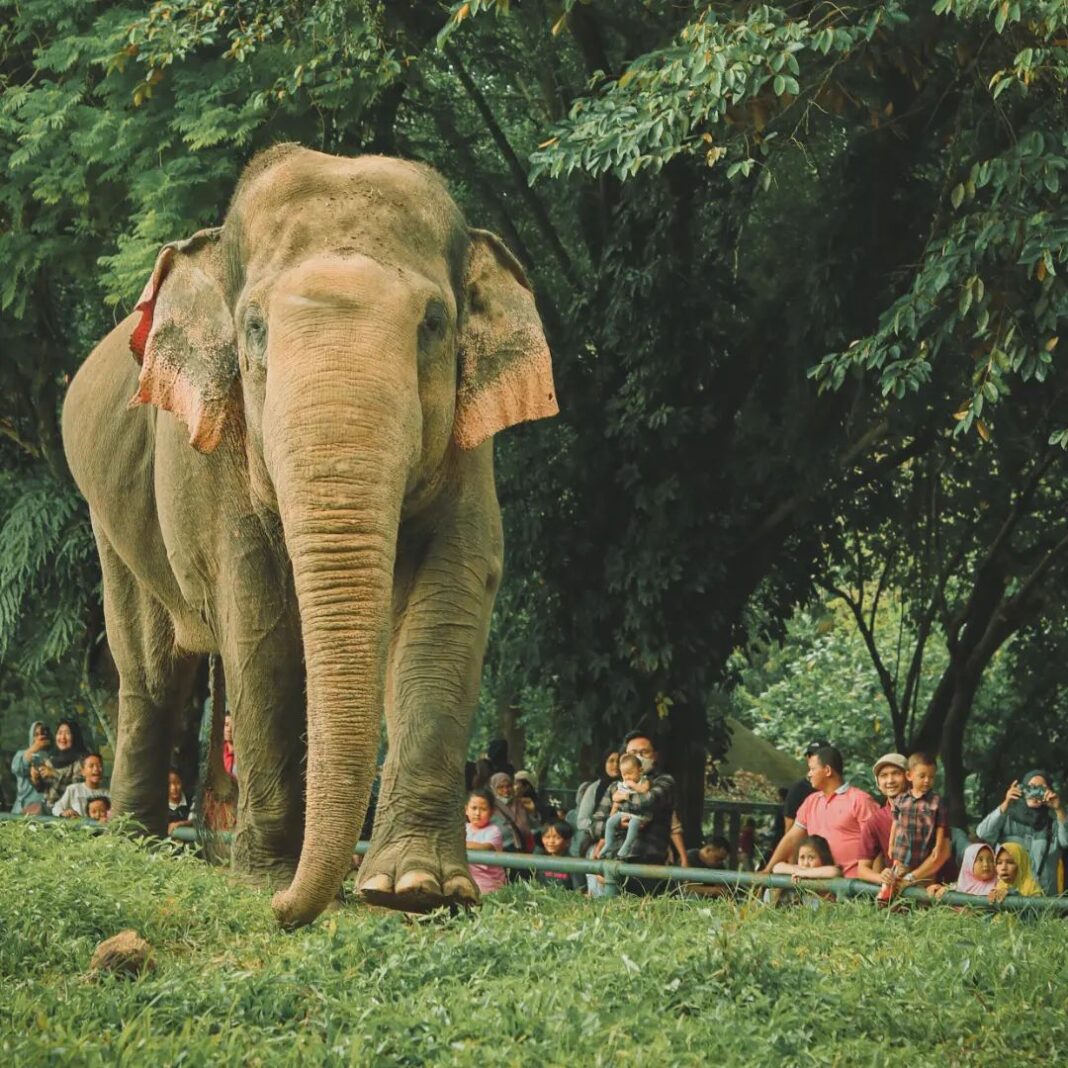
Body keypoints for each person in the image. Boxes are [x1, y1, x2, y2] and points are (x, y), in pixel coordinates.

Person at [760, 746, 879, 879]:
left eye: (812, 769)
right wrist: (767, 870)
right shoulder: (811, 801)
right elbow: (791, 838)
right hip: (817, 889)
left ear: (827, 770)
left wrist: (874, 887)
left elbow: (876, 845)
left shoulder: (860, 800)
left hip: (852, 890)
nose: (809, 774)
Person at [591, 731, 676, 869]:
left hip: (648, 861)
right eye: (633, 752)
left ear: (655, 756)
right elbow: (594, 826)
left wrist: (622, 797)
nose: (638, 757)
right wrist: (617, 824)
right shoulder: (615, 786)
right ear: (624, 756)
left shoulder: (664, 782)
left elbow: (647, 801)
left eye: (644, 752)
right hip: (613, 861)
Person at [975, 769, 1068, 896]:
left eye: (1042, 788)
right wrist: (1006, 803)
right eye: (1031, 787)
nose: (1035, 792)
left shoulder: (1054, 824)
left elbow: (1066, 842)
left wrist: (1059, 809)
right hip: (1008, 900)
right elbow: (983, 833)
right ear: (1022, 789)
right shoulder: (1006, 819)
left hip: (1044, 901)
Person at [877, 751, 952, 903]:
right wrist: (891, 844)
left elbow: (940, 826)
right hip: (903, 853)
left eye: (931, 777)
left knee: (925, 889)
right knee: (895, 879)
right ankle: (886, 901)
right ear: (909, 776)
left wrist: (938, 845)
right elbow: (896, 822)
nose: (927, 781)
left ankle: (922, 911)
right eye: (922, 776)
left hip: (925, 853)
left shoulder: (936, 801)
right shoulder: (902, 799)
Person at [856, 753, 908, 887]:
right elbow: (862, 870)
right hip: (899, 892)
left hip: (935, 889)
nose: (890, 780)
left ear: (909, 777)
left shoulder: (928, 808)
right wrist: (881, 877)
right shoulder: (876, 820)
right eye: (883, 776)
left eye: (896, 773)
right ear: (878, 784)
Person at [601, 752, 652, 860]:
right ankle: (609, 843)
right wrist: (623, 796)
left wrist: (633, 786)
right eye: (624, 774)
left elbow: (644, 790)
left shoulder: (644, 781)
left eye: (630, 773)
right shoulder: (622, 784)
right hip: (625, 812)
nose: (627, 777)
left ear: (640, 770)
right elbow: (615, 797)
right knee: (610, 822)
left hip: (640, 815)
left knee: (634, 824)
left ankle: (626, 846)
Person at [574, 749, 619, 856]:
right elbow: (581, 821)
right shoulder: (594, 788)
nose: (615, 765)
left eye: (619, 761)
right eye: (611, 761)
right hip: (594, 838)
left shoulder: (628, 786)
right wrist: (600, 828)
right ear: (604, 763)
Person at [782, 738, 831, 833]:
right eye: (810, 755)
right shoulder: (798, 789)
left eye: (818, 756)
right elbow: (789, 829)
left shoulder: (836, 789)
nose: (813, 759)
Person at [465, 789, 507, 895]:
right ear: (466, 809)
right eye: (474, 808)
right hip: (468, 884)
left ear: (492, 812)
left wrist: (458, 843)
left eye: (483, 809)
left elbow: (486, 848)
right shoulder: (463, 828)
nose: (477, 813)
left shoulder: (494, 831)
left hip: (491, 887)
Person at [41, 719, 88, 809]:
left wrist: (55, 774)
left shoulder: (82, 761)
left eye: (67, 733)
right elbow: (45, 789)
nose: (62, 738)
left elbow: (77, 790)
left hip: (70, 812)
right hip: (48, 810)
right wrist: (36, 778)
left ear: (75, 736)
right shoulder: (50, 758)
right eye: (59, 733)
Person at [928, 843, 997, 903]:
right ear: (969, 863)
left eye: (991, 860)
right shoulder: (958, 887)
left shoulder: (998, 885)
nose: (986, 864)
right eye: (980, 860)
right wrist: (938, 890)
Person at [10, 721, 52, 815]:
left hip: (45, 812)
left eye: (43, 733)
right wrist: (33, 749)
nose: (40, 737)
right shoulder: (21, 754)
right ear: (31, 736)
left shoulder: (53, 758)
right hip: (23, 810)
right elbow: (16, 769)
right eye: (36, 734)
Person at [52, 752, 109, 818]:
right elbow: (56, 808)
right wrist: (64, 813)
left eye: (99, 766)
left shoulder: (107, 794)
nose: (96, 769)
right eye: (91, 766)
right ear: (83, 771)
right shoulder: (73, 789)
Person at [488, 772, 531, 852]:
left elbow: (530, 826)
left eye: (508, 786)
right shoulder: (490, 807)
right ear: (493, 789)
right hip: (501, 851)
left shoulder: (520, 804)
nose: (506, 790)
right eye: (500, 787)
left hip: (522, 849)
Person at [534, 820, 583, 890]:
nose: (551, 842)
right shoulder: (538, 860)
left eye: (557, 837)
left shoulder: (574, 864)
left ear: (567, 841)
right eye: (547, 837)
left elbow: (579, 891)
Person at [167, 769, 194, 835]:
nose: (174, 788)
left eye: (177, 783)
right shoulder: (161, 804)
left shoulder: (192, 800)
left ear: (182, 783)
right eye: (170, 784)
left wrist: (180, 824)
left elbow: (195, 820)